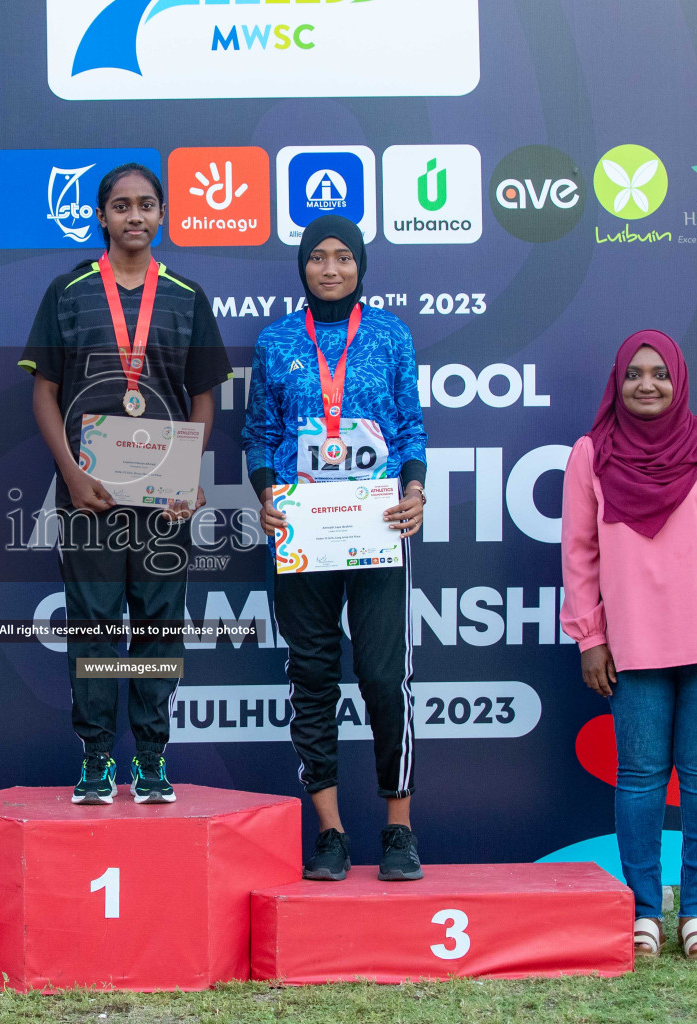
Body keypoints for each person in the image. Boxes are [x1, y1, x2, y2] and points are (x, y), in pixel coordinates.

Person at [560, 330, 697, 961]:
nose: (647, 384)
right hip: (633, 644)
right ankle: (645, 913)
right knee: (640, 779)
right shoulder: (592, 455)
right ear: (618, 383)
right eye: (634, 374)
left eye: (659, 372)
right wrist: (590, 639)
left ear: (678, 379)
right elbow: (579, 556)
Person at [21, 162, 231, 805]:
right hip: (90, 494)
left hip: (164, 497)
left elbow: (203, 397)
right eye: (120, 205)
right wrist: (71, 472)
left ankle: (150, 756)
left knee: (159, 623)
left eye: (145, 205)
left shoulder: (189, 297)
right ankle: (94, 758)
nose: (133, 216)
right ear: (101, 216)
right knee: (92, 624)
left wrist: (188, 475)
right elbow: (44, 393)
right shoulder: (68, 292)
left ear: (162, 214)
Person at [241, 214, 428, 882]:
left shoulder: (390, 334)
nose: (329, 268)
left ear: (360, 265)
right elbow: (259, 433)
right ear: (302, 267)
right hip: (301, 531)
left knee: (384, 677)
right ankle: (331, 833)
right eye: (317, 257)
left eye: (342, 257)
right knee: (312, 678)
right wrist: (266, 494)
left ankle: (399, 830)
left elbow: (410, 427)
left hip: (379, 526)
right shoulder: (276, 341)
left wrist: (415, 490)